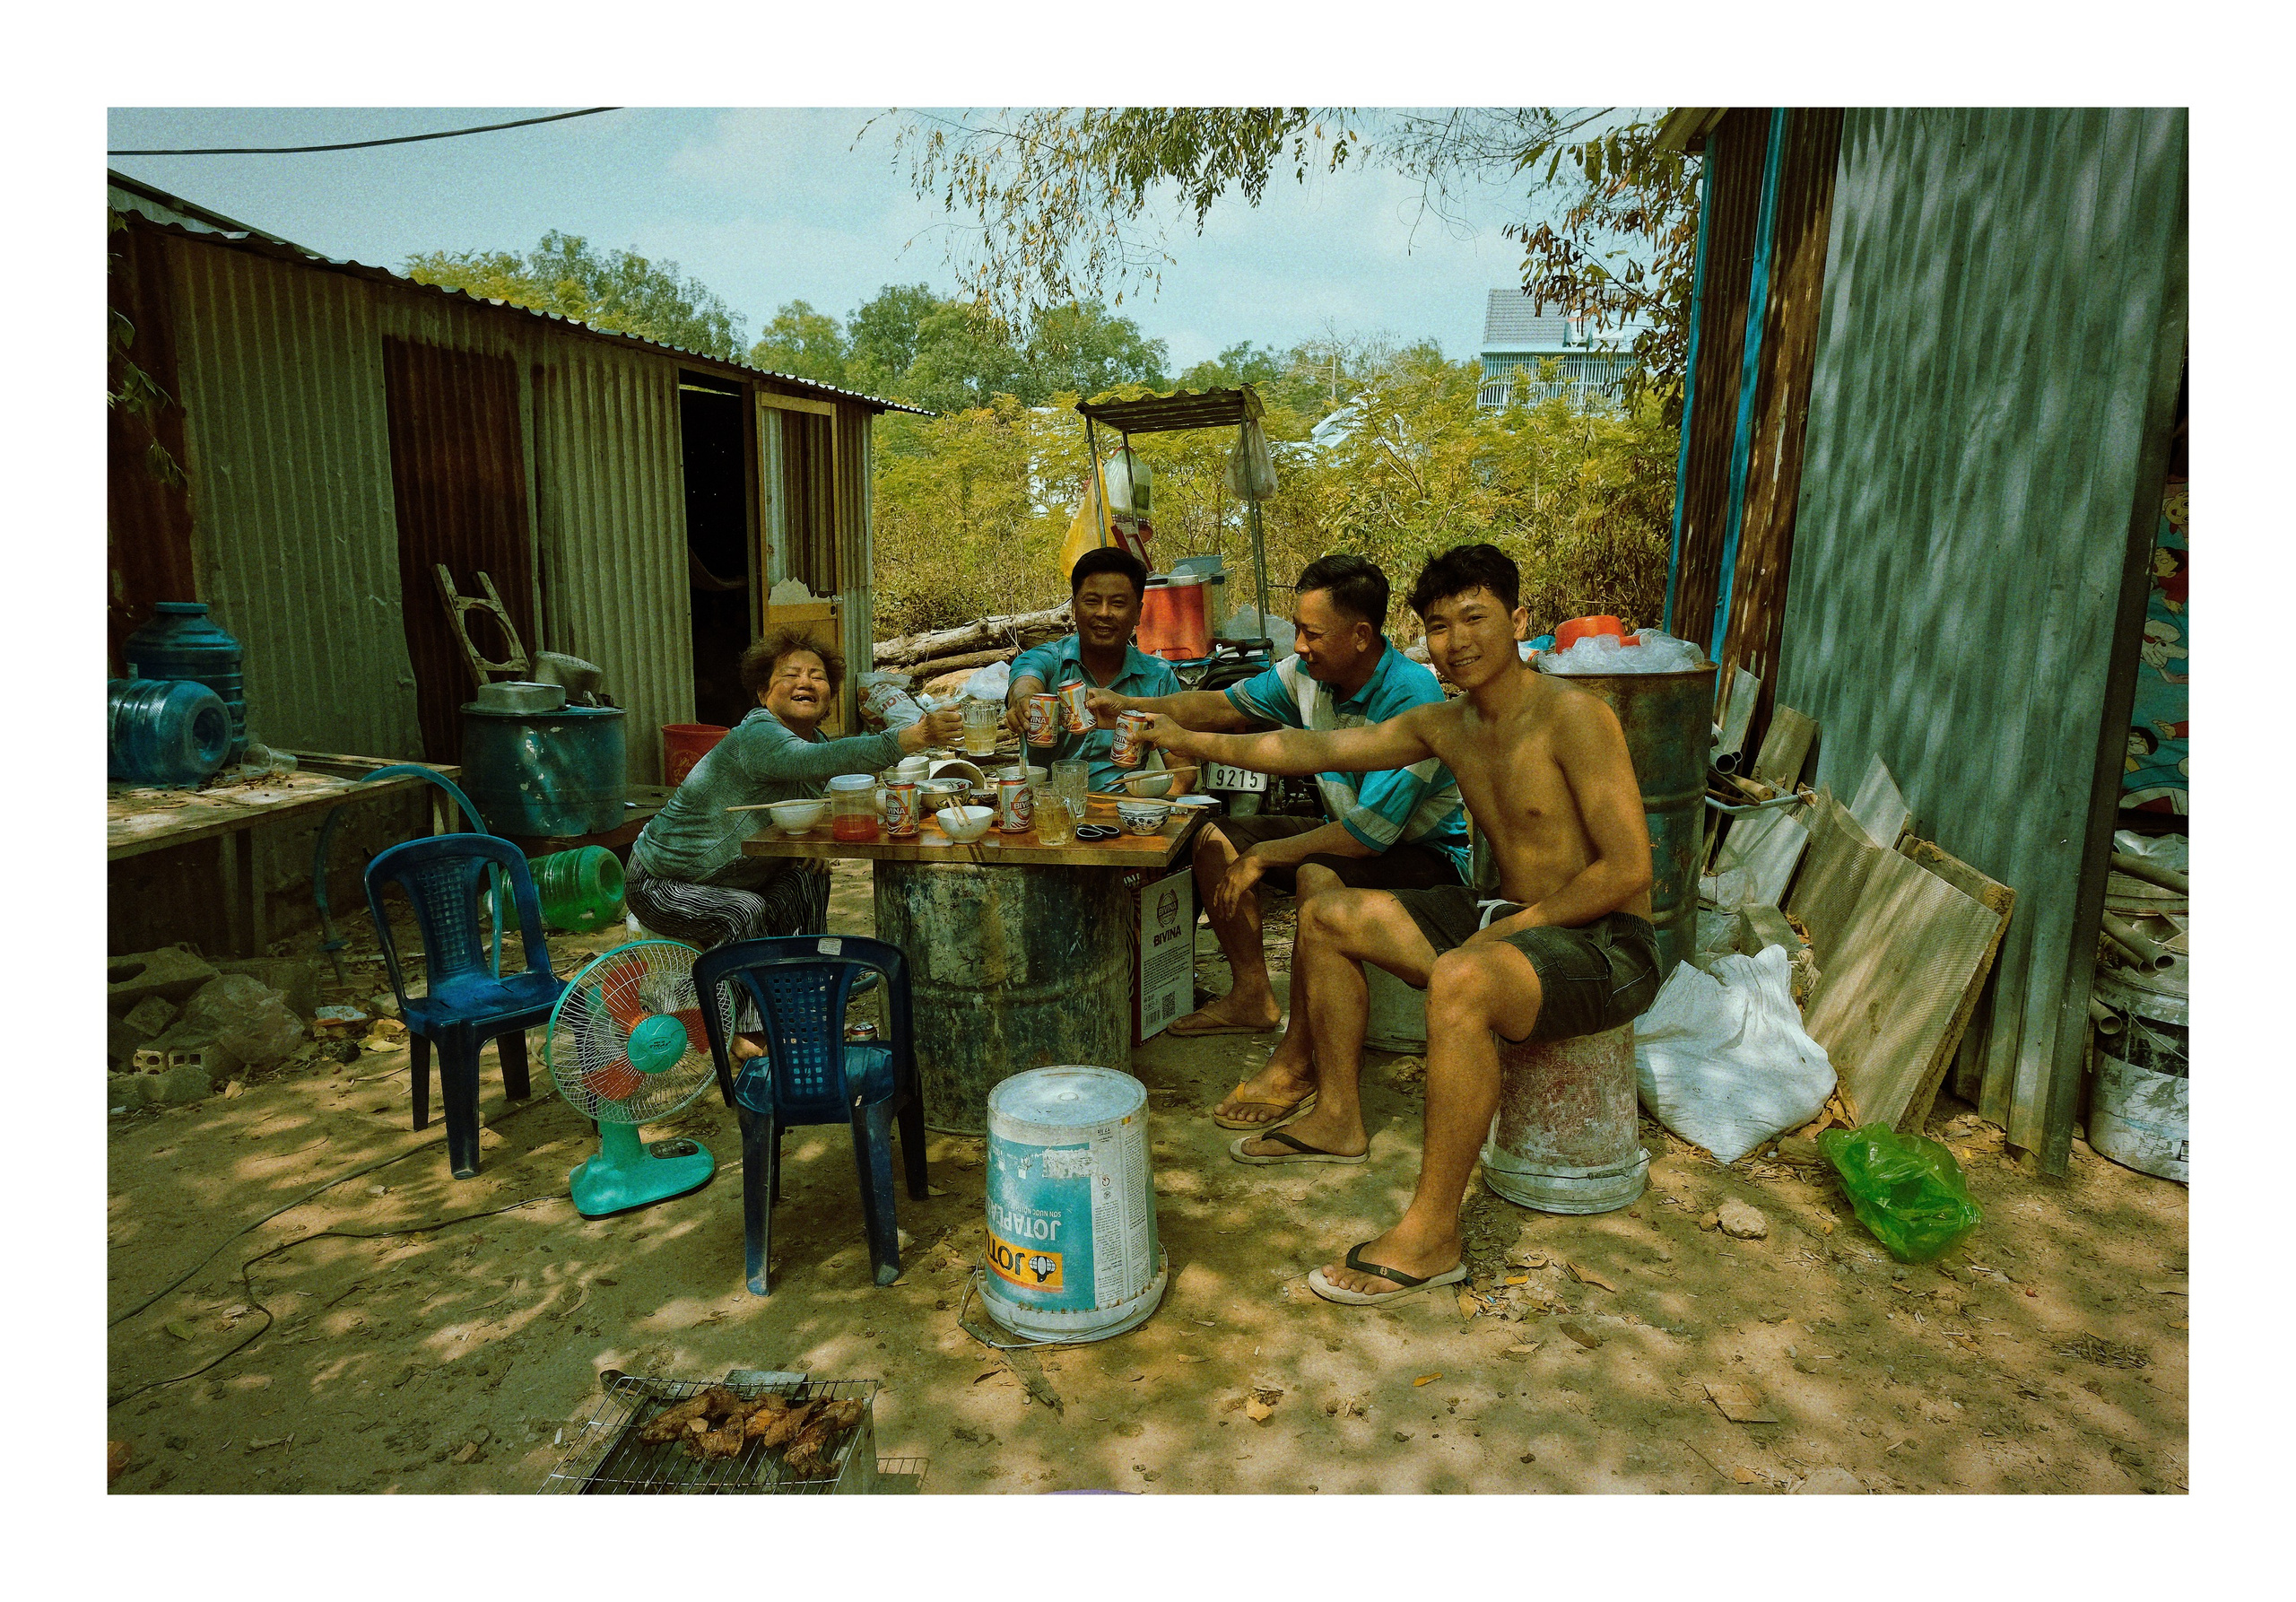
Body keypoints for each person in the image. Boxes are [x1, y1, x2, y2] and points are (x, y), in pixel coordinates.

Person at [1130, 544, 1661, 1307]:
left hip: (1609, 944)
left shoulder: (1578, 719)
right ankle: (1338, 1116)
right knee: (1328, 913)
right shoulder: (1447, 723)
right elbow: (1308, 748)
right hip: (1515, 921)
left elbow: (1627, 872)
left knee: (1464, 977)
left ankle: (1432, 1233)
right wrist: (1182, 736)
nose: (1457, 642)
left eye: (1475, 618)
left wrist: (1510, 933)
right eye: (1439, 626)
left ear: (1520, 619)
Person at [1085, 553, 1466, 1130]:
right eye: (1297, 628)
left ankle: (1297, 1063)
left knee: (1315, 874)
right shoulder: (1307, 673)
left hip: (1422, 854)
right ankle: (1252, 995)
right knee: (1210, 833)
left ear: (1362, 636)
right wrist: (1134, 707)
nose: (1300, 644)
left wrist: (1268, 854)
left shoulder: (1412, 694)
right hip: (1348, 832)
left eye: (1312, 633)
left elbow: (1369, 835)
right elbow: (1222, 706)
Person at [627, 626, 961, 967]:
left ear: (829, 696)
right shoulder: (758, 734)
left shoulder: (815, 741)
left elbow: (812, 794)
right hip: (662, 882)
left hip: (736, 879)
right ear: (762, 693)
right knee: (745, 912)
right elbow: (809, 761)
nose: (805, 682)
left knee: (809, 876)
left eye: (817, 676)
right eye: (791, 675)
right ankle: (749, 1015)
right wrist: (912, 736)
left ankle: (809, 974)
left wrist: (809, 849)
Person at [1005, 547, 1192, 796]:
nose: (1104, 613)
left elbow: (1183, 771)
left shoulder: (1158, 676)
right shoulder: (1046, 659)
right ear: (1074, 608)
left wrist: (1144, 817)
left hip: (1127, 815)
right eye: (1092, 601)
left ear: (1137, 612)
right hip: (1048, 811)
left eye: (1117, 603)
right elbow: (1026, 682)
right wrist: (1023, 702)